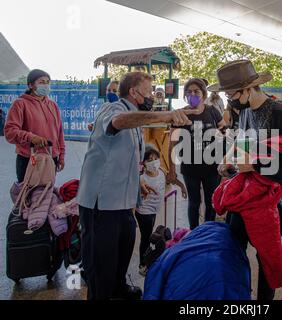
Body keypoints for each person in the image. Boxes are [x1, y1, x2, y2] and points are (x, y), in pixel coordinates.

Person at [76, 72, 193, 300]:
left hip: (123, 200)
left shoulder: (135, 120)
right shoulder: (114, 109)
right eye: (149, 92)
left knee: (125, 245)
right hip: (102, 202)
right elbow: (118, 123)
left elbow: (127, 156)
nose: (152, 96)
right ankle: (101, 295)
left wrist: (138, 181)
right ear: (134, 93)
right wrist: (166, 115)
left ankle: (118, 288)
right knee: (102, 261)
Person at [211, 60, 282, 300]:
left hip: (269, 198)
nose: (229, 99)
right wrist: (229, 160)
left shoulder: (281, 113)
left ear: (248, 89)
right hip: (244, 195)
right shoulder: (244, 113)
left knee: (267, 258)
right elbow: (242, 145)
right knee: (234, 250)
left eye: (231, 93)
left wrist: (254, 165)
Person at [168, 78, 226, 230]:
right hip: (190, 166)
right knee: (193, 202)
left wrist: (226, 161)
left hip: (212, 166)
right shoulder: (180, 115)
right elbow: (172, 143)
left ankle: (206, 232)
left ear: (203, 94)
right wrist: (172, 169)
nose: (192, 94)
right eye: (189, 92)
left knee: (211, 201)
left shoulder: (212, 111)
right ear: (185, 95)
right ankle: (194, 233)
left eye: (196, 91)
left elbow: (225, 135)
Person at [4, 69, 66, 182]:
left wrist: (61, 156)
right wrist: (31, 137)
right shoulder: (20, 104)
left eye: (48, 82)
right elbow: (10, 132)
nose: (46, 85)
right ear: (30, 85)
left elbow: (59, 133)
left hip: (51, 157)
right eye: (41, 82)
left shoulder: (53, 105)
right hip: (29, 158)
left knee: (47, 195)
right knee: (27, 196)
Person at [136, 145, 166, 277]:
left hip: (154, 210)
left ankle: (147, 260)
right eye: (149, 159)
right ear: (143, 163)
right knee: (146, 238)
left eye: (155, 158)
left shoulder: (161, 172)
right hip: (144, 212)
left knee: (148, 236)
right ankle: (143, 264)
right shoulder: (142, 179)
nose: (153, 162)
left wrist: (182, 187)